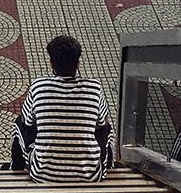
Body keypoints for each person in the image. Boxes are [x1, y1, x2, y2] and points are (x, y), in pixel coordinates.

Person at [10, 36, 113, 183]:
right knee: (106, 129)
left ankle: (16, 167)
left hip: (42, 175)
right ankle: (110, 166)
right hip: (89, 175)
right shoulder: (94, 88)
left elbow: (27, 121)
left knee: (18, 124)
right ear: (78, 64)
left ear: (52, 64)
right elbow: (102, 123)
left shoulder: (39, 87)